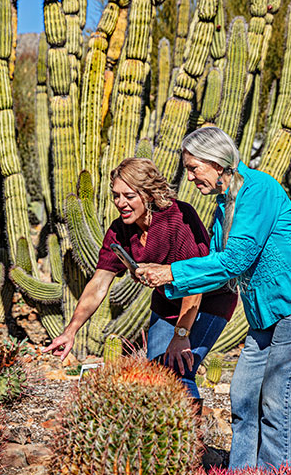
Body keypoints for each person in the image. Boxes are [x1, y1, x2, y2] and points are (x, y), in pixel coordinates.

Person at [136, 126, 291, 470]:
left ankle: (282, 469)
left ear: (218, 163)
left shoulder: (256, 190)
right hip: (267, 316)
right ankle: (243, 469)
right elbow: (219, 272)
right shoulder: (223, 207)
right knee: (244, 394)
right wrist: (164, 281)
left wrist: (171, 271)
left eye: (194, 168)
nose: (190, 178)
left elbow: (235, 260)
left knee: (281, 400)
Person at [43, 157, 236, 403]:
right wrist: (71, 331)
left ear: (148, 194)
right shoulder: (119, 230)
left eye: (129, 196)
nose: (120, 203)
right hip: (167, 303)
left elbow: (195, 281)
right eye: (116, 195)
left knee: (180, 371)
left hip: (207, 302)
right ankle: (164, 437)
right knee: (155, 375)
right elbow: (99, 283)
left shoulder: (177, 218)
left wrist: (181, 334)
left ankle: (192, 440)